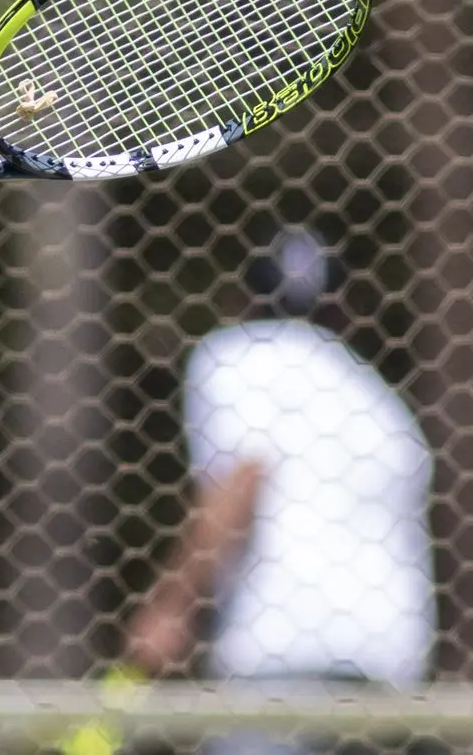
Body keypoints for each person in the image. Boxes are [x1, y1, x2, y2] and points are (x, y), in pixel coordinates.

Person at [120, 226, 436, 755]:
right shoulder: (375, 396)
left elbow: (240, 482)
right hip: (390, 662)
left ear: (242, 298)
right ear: (338, 306)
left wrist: (171, 607)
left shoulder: (236, 356)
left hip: (280, 650)